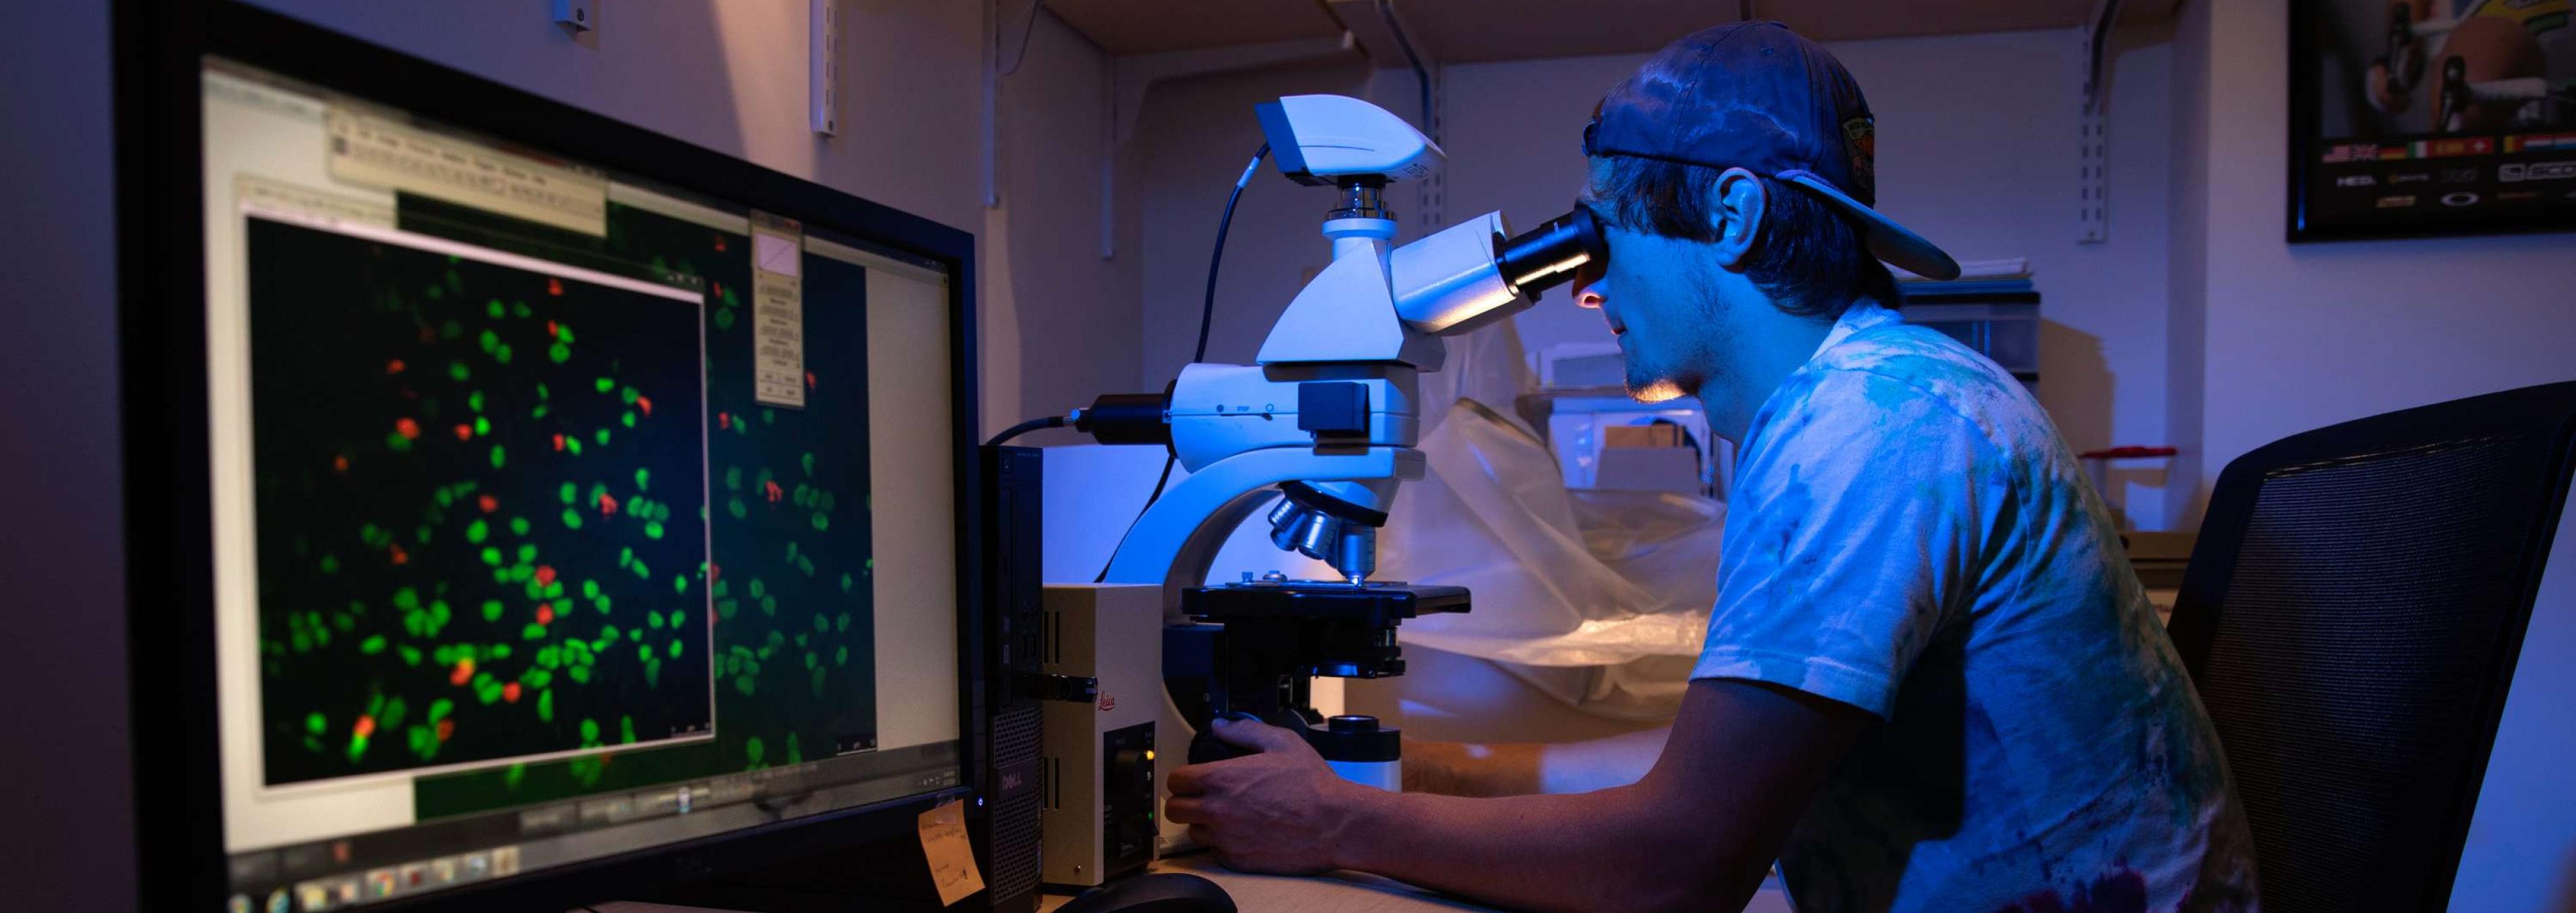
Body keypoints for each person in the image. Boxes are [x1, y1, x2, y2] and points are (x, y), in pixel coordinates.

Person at [1163, 22, 2258, 913]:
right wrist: (1431, 779)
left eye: (1607, 236)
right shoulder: (1875, 396)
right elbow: (1711, 777)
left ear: (1730, 214)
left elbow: (1679, 864)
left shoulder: (1870, 432)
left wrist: (1341, 820)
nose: (1588, 288)